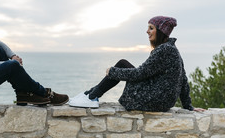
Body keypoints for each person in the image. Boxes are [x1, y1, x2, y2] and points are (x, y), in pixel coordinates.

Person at [69, 16, 204, 112]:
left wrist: (112, 71)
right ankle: (90, 95)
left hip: (154, 100)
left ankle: (91, 97)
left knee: (121, 65)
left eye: (151, 28)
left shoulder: (165, 50)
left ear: (160, 31)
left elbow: (140, 73)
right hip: (160, 99)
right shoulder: (172, 49)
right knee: (123, 63)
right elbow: (184, 80)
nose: (147, 31)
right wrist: (188, 106)